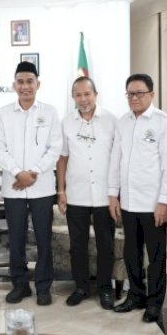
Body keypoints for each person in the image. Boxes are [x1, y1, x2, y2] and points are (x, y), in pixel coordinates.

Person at [0, 61, 62, 305]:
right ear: (14, 85)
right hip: (13, 189)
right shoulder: (3, 113)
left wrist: (32, 173)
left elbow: (55, 148)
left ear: (38, 84)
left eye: (29, 81)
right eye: (20, 82)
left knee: (44, 239)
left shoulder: (50, 112)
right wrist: (17, 173)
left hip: (42, 188)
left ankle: (43, 287)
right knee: (16, 239)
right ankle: (20, 285)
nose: (25, 86)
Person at [108, 73, 167, 323]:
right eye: (130, 94)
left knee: (155, 256)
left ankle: (154, 303)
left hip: (153, 203)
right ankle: (135, 295)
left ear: (151, 94)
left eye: (139, 93)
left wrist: (163, 201)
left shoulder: (163, 122)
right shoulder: (122, 122)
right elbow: (116, 159)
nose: (134, 98)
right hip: (128, 201)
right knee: (131, 253)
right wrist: (112, 194)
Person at [55, 76, 117, 309]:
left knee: (105, 244)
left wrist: (115, 193)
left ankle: (105, 289)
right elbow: (62, 159)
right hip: (77, 194)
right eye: (78, 95)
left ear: (95, 94)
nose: (83, 99)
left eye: (87, 94)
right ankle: (80, 287)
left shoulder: (111, 120)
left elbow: (118, 158)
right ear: (73, 97)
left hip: (104, 195)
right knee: (77, 245)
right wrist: (61, 191)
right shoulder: (67, 123)